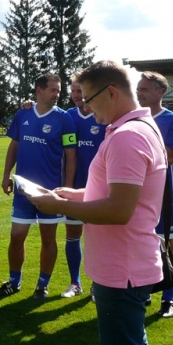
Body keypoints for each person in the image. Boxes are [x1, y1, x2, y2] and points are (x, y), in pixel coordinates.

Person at [28, 60, 164, 345]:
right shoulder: (134, 129)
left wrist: (62, 206)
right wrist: (78, 192)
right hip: (127, 263)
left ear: (112, 93)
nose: (86, 109)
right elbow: (116, 193)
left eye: (89, 100)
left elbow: (120, 209)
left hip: (123, 267)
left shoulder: (128, 136)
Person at [0, 73, 77, 299]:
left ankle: (42, 285)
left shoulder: (64, 119)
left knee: (48, 238)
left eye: (58, 91)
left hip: (50, 192)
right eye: (53, 90)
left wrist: (67, 188)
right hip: (22, 191)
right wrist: (6, 176)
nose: (57, 94)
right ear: (39, 91)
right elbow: (14, 146)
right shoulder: (23, 114)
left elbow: (71, 155)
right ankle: (14, 281)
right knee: (16, 236)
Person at [137, 71, 173, 318]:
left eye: (145, 89)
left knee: (166, 241)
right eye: (139, 88)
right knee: (140, 241)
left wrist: (137, 158)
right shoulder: (133, 118)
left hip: (163, 190)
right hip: (135, 188)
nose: (139, 92)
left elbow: (170, 156)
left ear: (160, 92)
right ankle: (144, 291)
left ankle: (169, 299)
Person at [62, 78, 107, 298]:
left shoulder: (105, 118)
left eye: (80, 90)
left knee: (99, 237)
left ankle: (97, 285)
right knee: (72, 234)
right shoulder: (67, 117)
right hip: (74, 186)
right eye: (73, 91)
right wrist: (28, 104)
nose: (76, 95)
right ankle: (75, 283)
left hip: (100, 189)